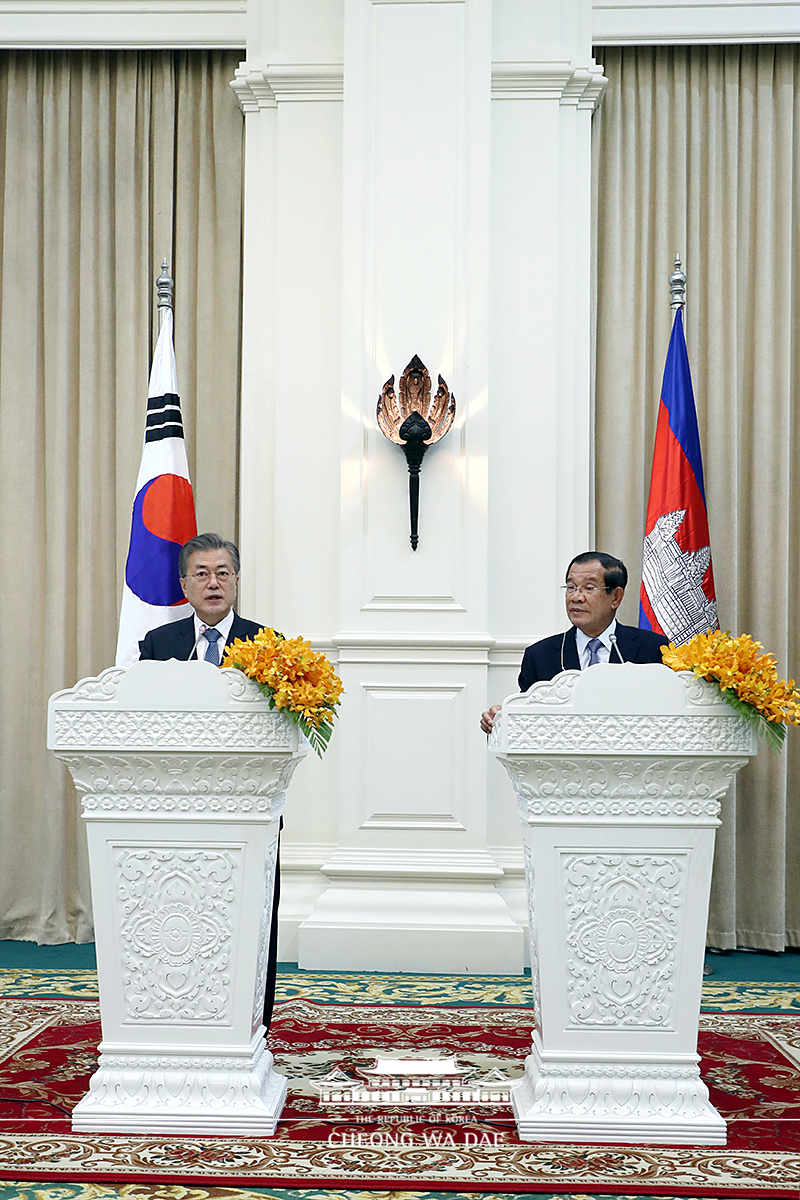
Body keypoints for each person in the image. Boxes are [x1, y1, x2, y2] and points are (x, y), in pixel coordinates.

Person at [139, 532, 280, 1035]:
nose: (213, 582)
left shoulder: (271, 646)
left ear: (237, 581)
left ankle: (251, 1025)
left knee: (248, 919)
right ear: (184, 584)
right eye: (201, 573)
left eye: (223, 573)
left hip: (248, 807)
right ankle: (176, 1019)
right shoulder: (158, 645)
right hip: (177, 807)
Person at [480, 551, 668, 733]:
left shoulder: (652, 649)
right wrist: (503, 718)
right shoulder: (540, 655)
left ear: (616, 597)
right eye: (571, 587)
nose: (576, 597)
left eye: (589, 588)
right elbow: (528, 718)